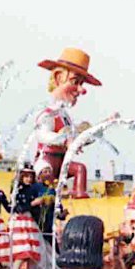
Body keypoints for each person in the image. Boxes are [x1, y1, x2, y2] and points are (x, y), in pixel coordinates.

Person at [33, 47, 101, 200]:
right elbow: (42, 134)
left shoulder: (65, 117)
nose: (81, 90)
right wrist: (64, 139)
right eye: (75, 82)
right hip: (47, 159)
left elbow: (77, 138)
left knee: (80, 169)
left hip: (63, 161)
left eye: (82, 84)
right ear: (58, 78)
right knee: (45, 172)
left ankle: (78, 194)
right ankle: (47, 195)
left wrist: (99, 129)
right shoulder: (47, 112)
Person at [10, 165, 44, 269]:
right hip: (20, 222)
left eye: (30, 177)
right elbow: (18, 208)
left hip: (29, 222)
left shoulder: (33, 190)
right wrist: (33, 203)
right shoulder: (17, 190)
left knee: (31, 250)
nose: (28, 179)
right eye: (26, 176)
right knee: (22, 249)